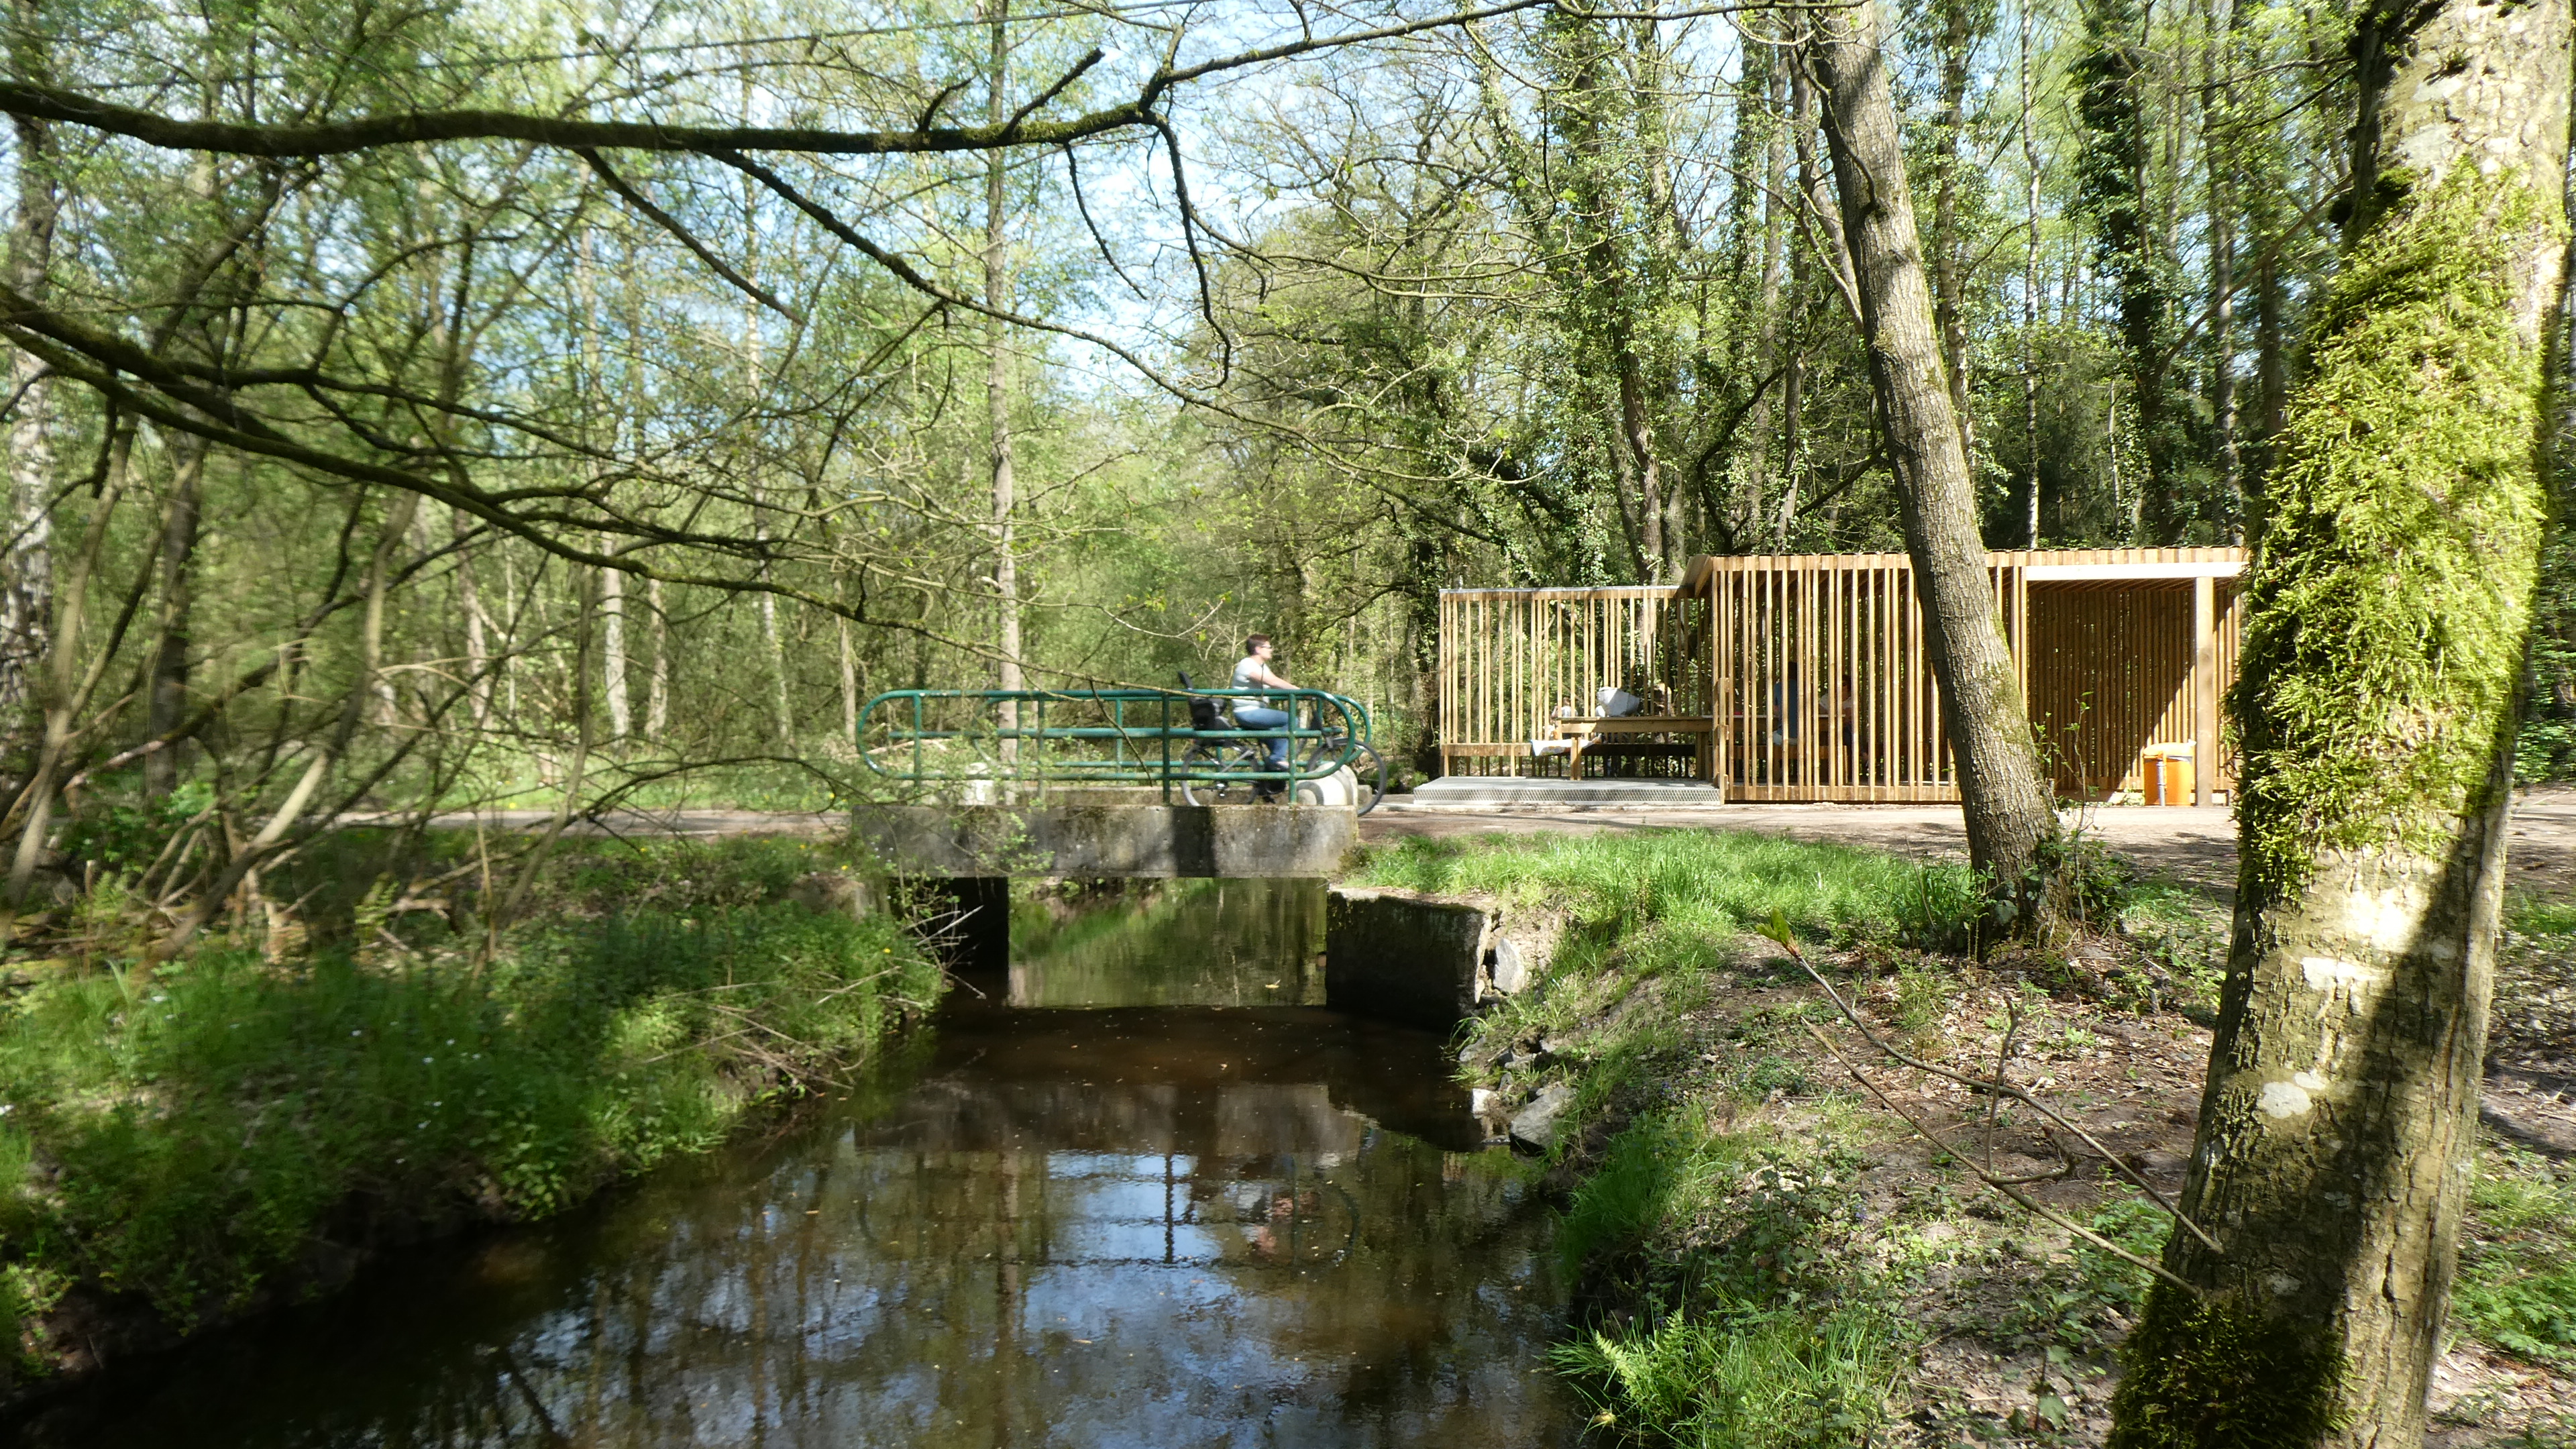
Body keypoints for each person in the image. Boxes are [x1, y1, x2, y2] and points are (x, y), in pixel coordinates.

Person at [1231, 634, 1295, 800]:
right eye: (1269, 647)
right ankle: (1277, 760)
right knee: (1291, 720)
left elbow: (1274, 682)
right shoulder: (1247, 664)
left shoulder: (1262, 666)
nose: (1272, 650)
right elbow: (1273, 682)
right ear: (1258, 649)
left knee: (1277, 744)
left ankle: (1265, 788)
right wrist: (1301, 691)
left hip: (1256, 712)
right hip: (1248, 712)